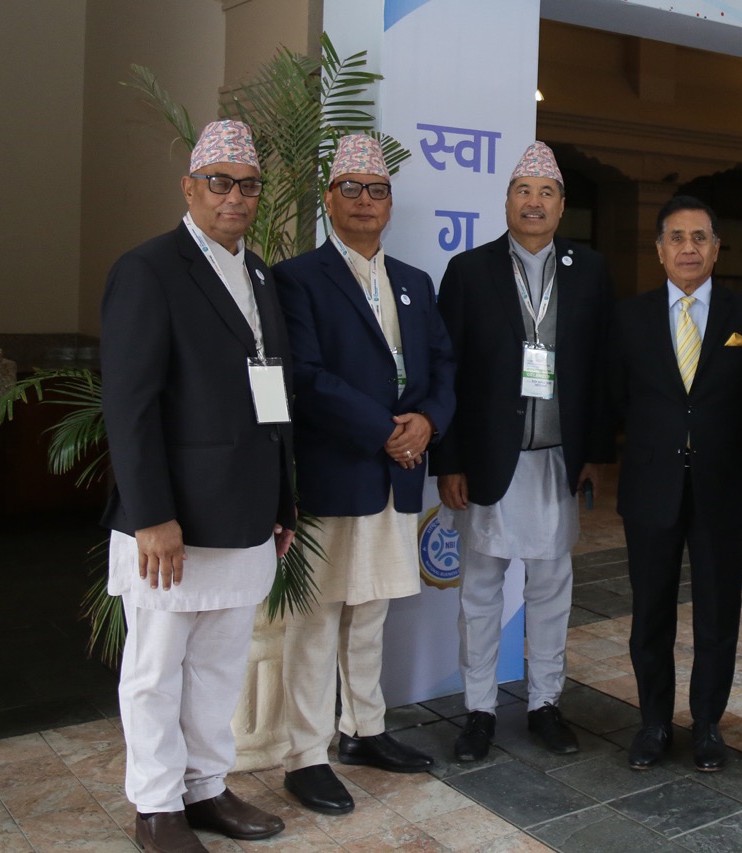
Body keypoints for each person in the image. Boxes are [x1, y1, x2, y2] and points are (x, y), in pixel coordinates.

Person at [101, 119, 294, 852]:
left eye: (247, 184)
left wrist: (282, 501)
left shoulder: (261, 274)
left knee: (218, 666)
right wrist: (151, 515)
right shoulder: (148, 269)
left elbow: (275, 394)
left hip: (246, 511)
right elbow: (130, 405)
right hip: (172, 521)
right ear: (189, 188)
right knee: (156, 670)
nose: (234, 196)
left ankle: (206, 788)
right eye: (219, 182)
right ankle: (157, 807)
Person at [274, 135, 455, 814]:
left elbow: (443, 367)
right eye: (350, 188)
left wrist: (427, 423)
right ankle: (304, 755)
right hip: (336, 469)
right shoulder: (298, 278)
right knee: (316, 615)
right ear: (329, 199)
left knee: (371, 607)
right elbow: (305, 376)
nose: (364, 201)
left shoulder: (414, 281)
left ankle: (364, 729)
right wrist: (386, 430)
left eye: (377, 190)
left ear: (390, 203)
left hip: (397, 471)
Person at [433, 141, 614, 761]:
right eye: (523, 191)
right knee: (482, 587)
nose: (534, 202)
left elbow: (602, 369)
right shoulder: (469, 270)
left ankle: (545, 704)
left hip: (558, 458)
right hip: (489, 459)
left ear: (562, 206)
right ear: (507, 201)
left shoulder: (590, 271)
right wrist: (450, 460)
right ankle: (479, 710)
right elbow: (447, 373)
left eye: (546, 193)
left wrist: (595, 452)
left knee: (552, 586)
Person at [613, 195, 742, 772]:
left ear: (716, 248)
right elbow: (617, 398)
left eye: (700, 237)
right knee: (650, 615)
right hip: (650, 487)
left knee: (717, 614)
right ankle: (653, 723)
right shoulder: (629, 317)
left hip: (720, 485)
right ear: (659, 250)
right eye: (676, 238)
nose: (689, 247)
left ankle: (707, 725)